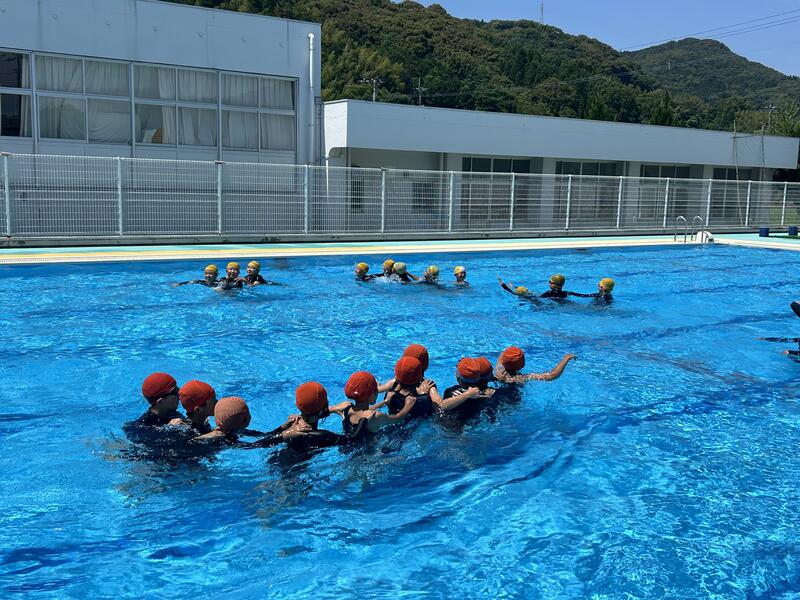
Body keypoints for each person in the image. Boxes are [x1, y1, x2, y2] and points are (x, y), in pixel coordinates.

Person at [250, 382, 347, 451]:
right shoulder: (324, 436)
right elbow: (351, 439)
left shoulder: (292, 424)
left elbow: (264, 436)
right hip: (292, 473)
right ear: (323, 408)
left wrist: (283, 432)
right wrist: (346, 416)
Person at [328, 371, 416, 440]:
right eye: (376, 390)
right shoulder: (375, 416)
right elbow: (397, 419)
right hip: (371, 456)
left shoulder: (345, 408)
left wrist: (384, 402)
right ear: (371, 395)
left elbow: (362, 412)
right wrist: (408, 405)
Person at [494, 346, 577, 384]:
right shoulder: (520, 378)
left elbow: (503, 355)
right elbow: (552, 375)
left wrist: (511, 353)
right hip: (513, 402)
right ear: (523, 365)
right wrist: (566, 358)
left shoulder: (498, 369)